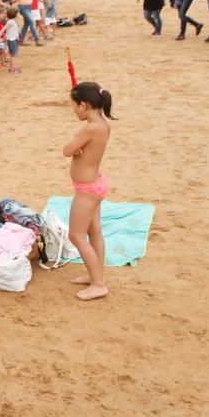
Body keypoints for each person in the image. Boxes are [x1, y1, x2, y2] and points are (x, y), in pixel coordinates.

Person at [63, 82, 115, 302]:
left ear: (84, 105)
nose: (73, 109)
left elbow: (66, 150)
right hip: (95, 184)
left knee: (76, 235)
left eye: (74, 105)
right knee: (95, 232)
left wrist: (77, 144)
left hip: (87, 190)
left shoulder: (90, 128)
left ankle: (98, 284)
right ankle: (95, 276)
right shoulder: (102, 123)